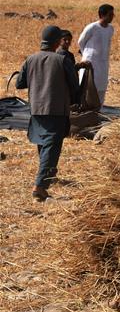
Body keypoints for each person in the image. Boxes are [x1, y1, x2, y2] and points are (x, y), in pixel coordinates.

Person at [16, 26, 79, 201]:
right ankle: (40, 186)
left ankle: (46, 177)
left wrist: (37, 78)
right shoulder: (62, 60)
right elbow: (75, 86)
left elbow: (19, 83)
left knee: (44, 146)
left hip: (36, 109)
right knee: (51, 148)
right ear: (57, 42)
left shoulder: (30, 59)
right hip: (56, 109)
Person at [78, 4, 115, 105]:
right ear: (102, 15)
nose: (112, 17)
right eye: (110, 14)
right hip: (90, 62)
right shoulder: (92, 27)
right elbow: (81, 42)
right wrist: (86, 54)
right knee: (88, 86)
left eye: (113, 14)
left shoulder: (111, 29)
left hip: (103, 63)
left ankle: (98, 109)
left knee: (101, 86)